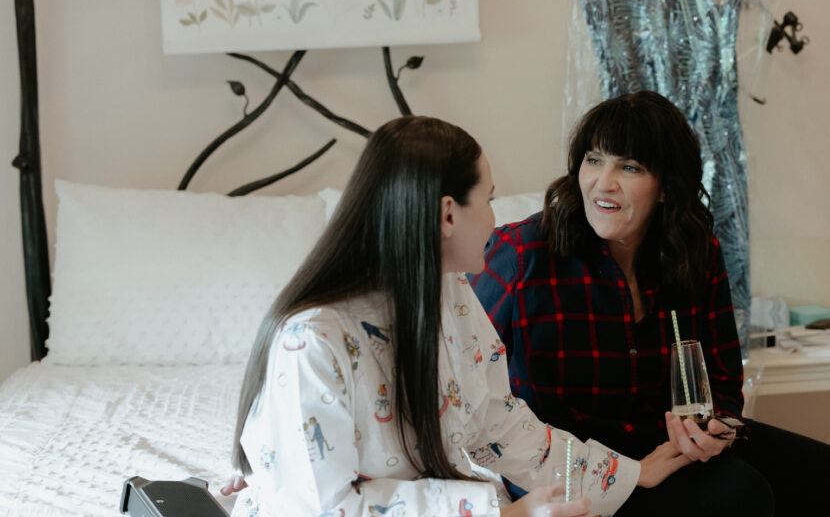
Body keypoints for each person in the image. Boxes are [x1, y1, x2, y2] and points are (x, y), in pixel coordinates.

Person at [227, 115, 690, 517]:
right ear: (449, 214)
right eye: (488, 200)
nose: (495, 220)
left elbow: (501, 424)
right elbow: (327, 508)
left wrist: (627, 475)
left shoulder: (451, 293)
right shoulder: (312, 341)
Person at [471, 91, 830, 517]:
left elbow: (721, 381)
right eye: (594, 159)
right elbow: (468, 392)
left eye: (629, 166)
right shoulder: (520, 254)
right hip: (569, 465)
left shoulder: (694, 252)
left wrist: (716, 429)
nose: (603, 182)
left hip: (669, 447)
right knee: (740, 496)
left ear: (665, 187)